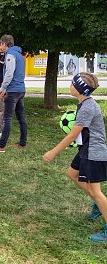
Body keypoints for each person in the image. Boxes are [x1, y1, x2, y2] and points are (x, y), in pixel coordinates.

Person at [43, 73, 107, 243]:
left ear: (79, 89)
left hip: (94, 153)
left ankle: (103, 211)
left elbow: (72, 135)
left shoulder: (87, 107)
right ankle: (99, 205)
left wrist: (53, 152)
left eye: (72, 84)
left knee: (96, 191)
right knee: (72, 174)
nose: (70, 85)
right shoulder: (84, 103)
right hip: (86, 151)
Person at [0, 34, 27, 152]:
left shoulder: (10, 55)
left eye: (1, 44)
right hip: (20, 90)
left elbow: (9, 73)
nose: (0, 47)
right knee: (21, 117)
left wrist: (3, 88)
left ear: (4, 44)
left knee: (7, 118)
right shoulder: (19, 54)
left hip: (13, 90)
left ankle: (1, 146)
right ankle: (23, 143)